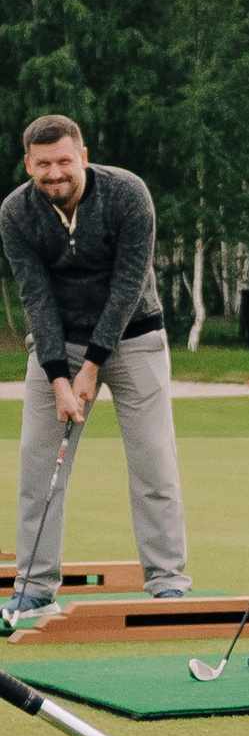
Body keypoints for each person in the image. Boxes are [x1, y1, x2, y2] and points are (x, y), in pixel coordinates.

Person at [2, 115, 191, 626]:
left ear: (83, 156)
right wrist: (61, 376)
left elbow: (128, 285)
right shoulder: (16, 212)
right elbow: (35, 298)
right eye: (43, 164)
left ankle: (168, 582)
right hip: (58, 342)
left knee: (154, 461)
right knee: (39, 466)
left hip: (134, 336)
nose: (55, 173)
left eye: (65, 160)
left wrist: (91, 367)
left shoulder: (128, 193)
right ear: (29, 164)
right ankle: (35, 588)